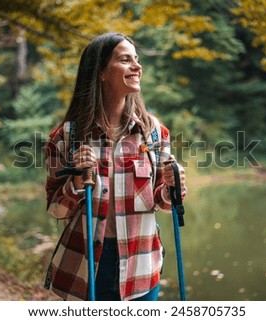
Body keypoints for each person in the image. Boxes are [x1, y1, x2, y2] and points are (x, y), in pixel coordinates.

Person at [44, 32, 187, 301]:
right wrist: (75, 181)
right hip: (84, 269)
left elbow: (163, 203)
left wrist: (172, 186)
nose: (137, 66)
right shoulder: (66, 138)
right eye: (125, 60)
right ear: (101, 73)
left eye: (137, 59)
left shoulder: (154, 133)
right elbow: (55, 209)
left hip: (140, 267)